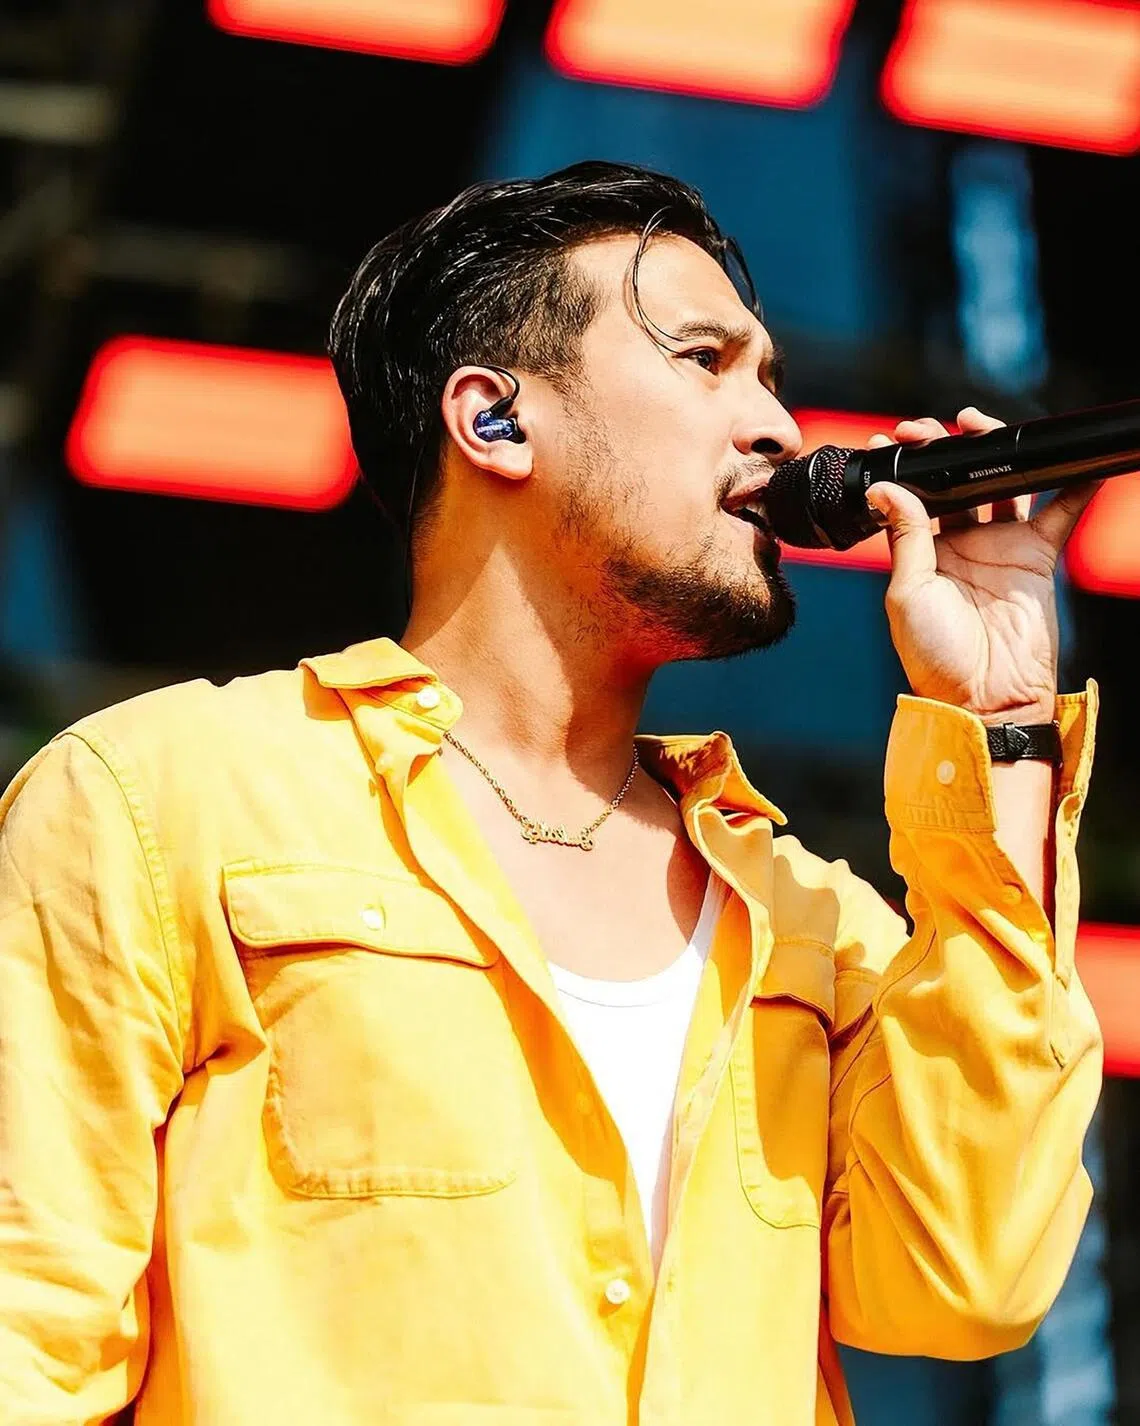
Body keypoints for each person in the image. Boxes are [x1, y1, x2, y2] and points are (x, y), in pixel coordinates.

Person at [0, 161, 1103, 1426]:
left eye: (772, 379)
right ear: (496, 422)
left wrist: (1002, 721)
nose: (777, 428)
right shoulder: (163, 803)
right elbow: (29, 1331)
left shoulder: (810, 918)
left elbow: (965, 1280)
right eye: (705, 360)